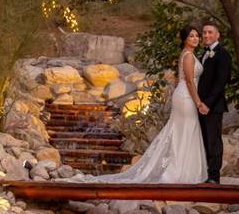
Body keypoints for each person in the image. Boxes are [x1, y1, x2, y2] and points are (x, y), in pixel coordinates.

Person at [75, 24, 207, 184]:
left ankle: (183, 169)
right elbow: (189, 82)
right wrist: (199, 102)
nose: (195, 38)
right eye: (191, 36)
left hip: (184, 95)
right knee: (185, 131)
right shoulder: (187, 56)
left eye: (196, 36)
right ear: (185, 39)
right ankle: (176, 172)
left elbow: (181, 80)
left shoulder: (188, 55)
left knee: (184, 130)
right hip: (187, 97)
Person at [196, 21, 230, 184]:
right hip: (200, 105)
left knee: (214, 141)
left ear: (218, 35)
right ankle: (204, 173)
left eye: (210, 32)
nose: (206, 35)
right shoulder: (204, 53)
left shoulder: (223, 54)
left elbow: (220, 82)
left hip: (213, 106)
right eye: (204, 33)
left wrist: (207, 104)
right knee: (203, 140)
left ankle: (214, 176)